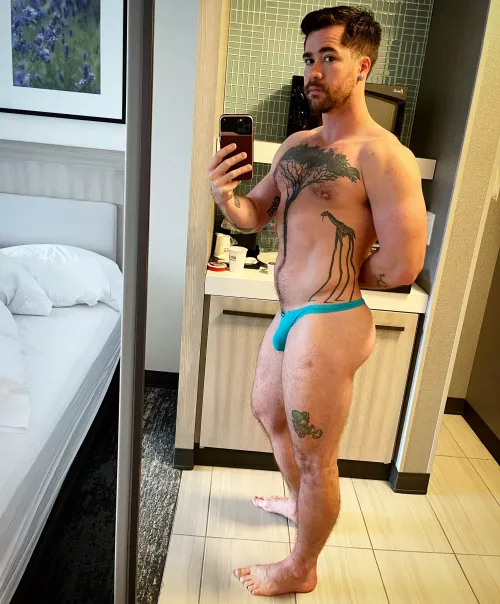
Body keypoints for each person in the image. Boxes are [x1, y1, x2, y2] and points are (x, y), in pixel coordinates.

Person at [207, 5, 427, 597]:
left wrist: (343, 279)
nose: (314, 71)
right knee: (269, 413)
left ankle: (300, 567)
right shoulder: (297, 146)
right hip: (288, 314)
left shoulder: (383, 156)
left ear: (363, 66)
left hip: (329, 321)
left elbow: (402, 264)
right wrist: (224, 196)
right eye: (309, 58)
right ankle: (297, 501)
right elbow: (254, 214)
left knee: (316, 457)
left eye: (329, 56)